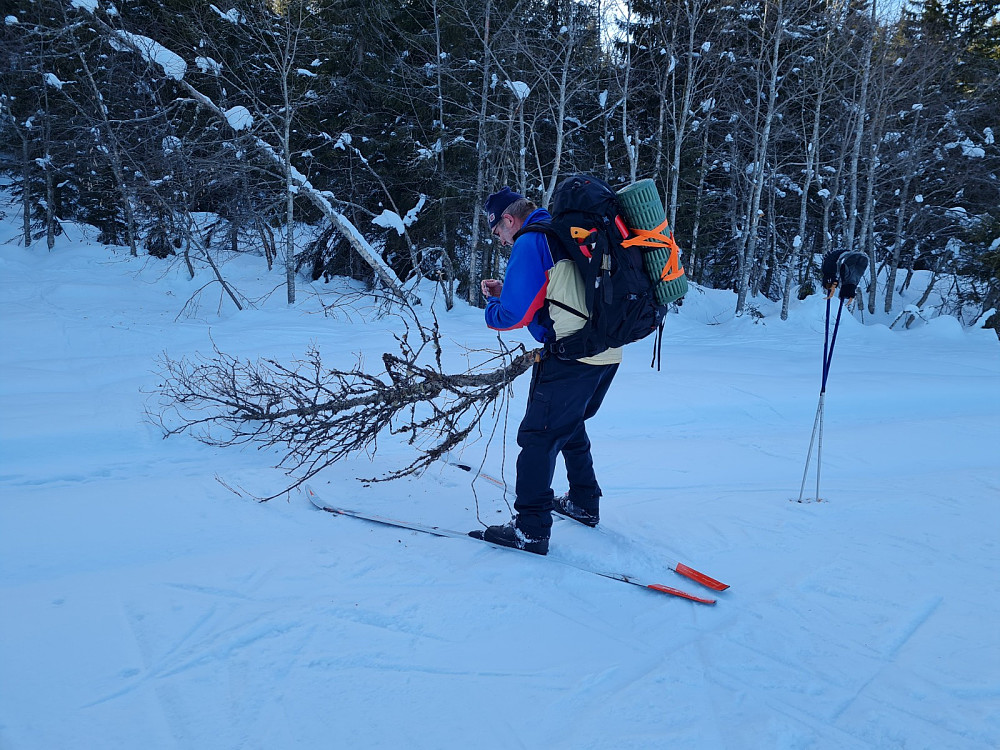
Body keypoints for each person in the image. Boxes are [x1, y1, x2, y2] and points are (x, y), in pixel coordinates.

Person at [469, 187, 621, 555]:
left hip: (571, 355)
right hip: (608, 351)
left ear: (508, 219)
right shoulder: (565, 233)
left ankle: (531, 530)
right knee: (568, 424)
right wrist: (510, 290)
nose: (501, 241)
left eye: (497, 233)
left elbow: (513, 316)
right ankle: (584, 503)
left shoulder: (532, 240)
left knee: (538, 437)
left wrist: (492, 305)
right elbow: (558, 290)